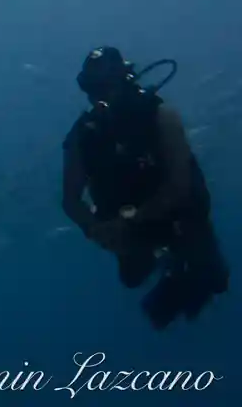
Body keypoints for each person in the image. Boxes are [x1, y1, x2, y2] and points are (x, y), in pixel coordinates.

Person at [62, 46, 230, 329]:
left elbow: (179, 185)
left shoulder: (160, 116)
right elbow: (70, 199)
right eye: (92, 87)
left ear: (126, 80)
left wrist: (128, 220)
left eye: (106, 85)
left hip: (177, 215)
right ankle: (165, 264)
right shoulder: (83, 135)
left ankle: (182, 273)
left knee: (214, 280)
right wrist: (94, 228)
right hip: (126, 224)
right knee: (133, 277)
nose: (100, 95)